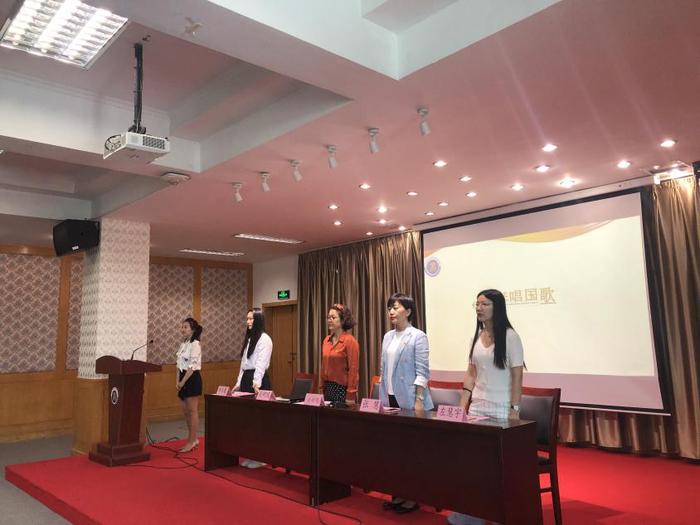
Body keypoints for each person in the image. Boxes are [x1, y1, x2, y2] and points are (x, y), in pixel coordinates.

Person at [447, 289, 524, 525]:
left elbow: (517, 376)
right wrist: (462, 406)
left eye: (485, 304)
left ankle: (502, 514)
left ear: (497, 307)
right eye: (477, 304)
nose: (479, 308)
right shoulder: (476, 338)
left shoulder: (510, 337)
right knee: (473, 464)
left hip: (501, 408)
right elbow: (471, 373)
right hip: (477, 408)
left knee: (498, 467)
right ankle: (473, 513)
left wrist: (514, 409)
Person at [378, 293, 433, 514]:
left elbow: (423, 371)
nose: (391, 311)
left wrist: (419, 399)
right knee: (393, 452)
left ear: (408, 311)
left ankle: (413, 498)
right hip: (389, 399)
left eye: (396, 307)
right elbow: (384, 369)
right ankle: (398, 494)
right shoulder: (387, 336)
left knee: (411, 452)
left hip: (410, 400)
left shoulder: (418, 336)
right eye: (390, 308)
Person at [232, 308, 273, 469]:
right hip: (247, 379)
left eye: (251, 319)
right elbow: (244, 364)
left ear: (259, 320)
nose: (248, 322)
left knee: (259, 421)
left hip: (258, 381)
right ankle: (251, 454)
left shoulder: (265, 339)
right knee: (247, 421)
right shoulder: (250, 338)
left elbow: (261, 364)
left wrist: (256, 383)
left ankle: (261, 457)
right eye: (247, 319)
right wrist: (238, 383)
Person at [320, 304, 360, 405]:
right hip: (327, 388)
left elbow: (353, 370)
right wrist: (321, 389)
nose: (329, 320)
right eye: (328, 317)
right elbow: (323, 366)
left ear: (342, 320)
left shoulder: (350, 341)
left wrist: (351, 394)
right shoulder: (326, 340)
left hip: (342, 390)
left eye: (333, 317)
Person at [176, 317, 203, 453]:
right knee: (185, 411)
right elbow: (178, 364)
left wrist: (182, 382)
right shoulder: (183, 344)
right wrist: (177, 381)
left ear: (192, 330)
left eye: (185, 327)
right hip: (182, 378)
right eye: (182, 327)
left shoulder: (195, 344)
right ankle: (193, 438)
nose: (183, 329)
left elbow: (192, 367)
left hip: (191, 378)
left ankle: (191, 441)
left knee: (192, 411)